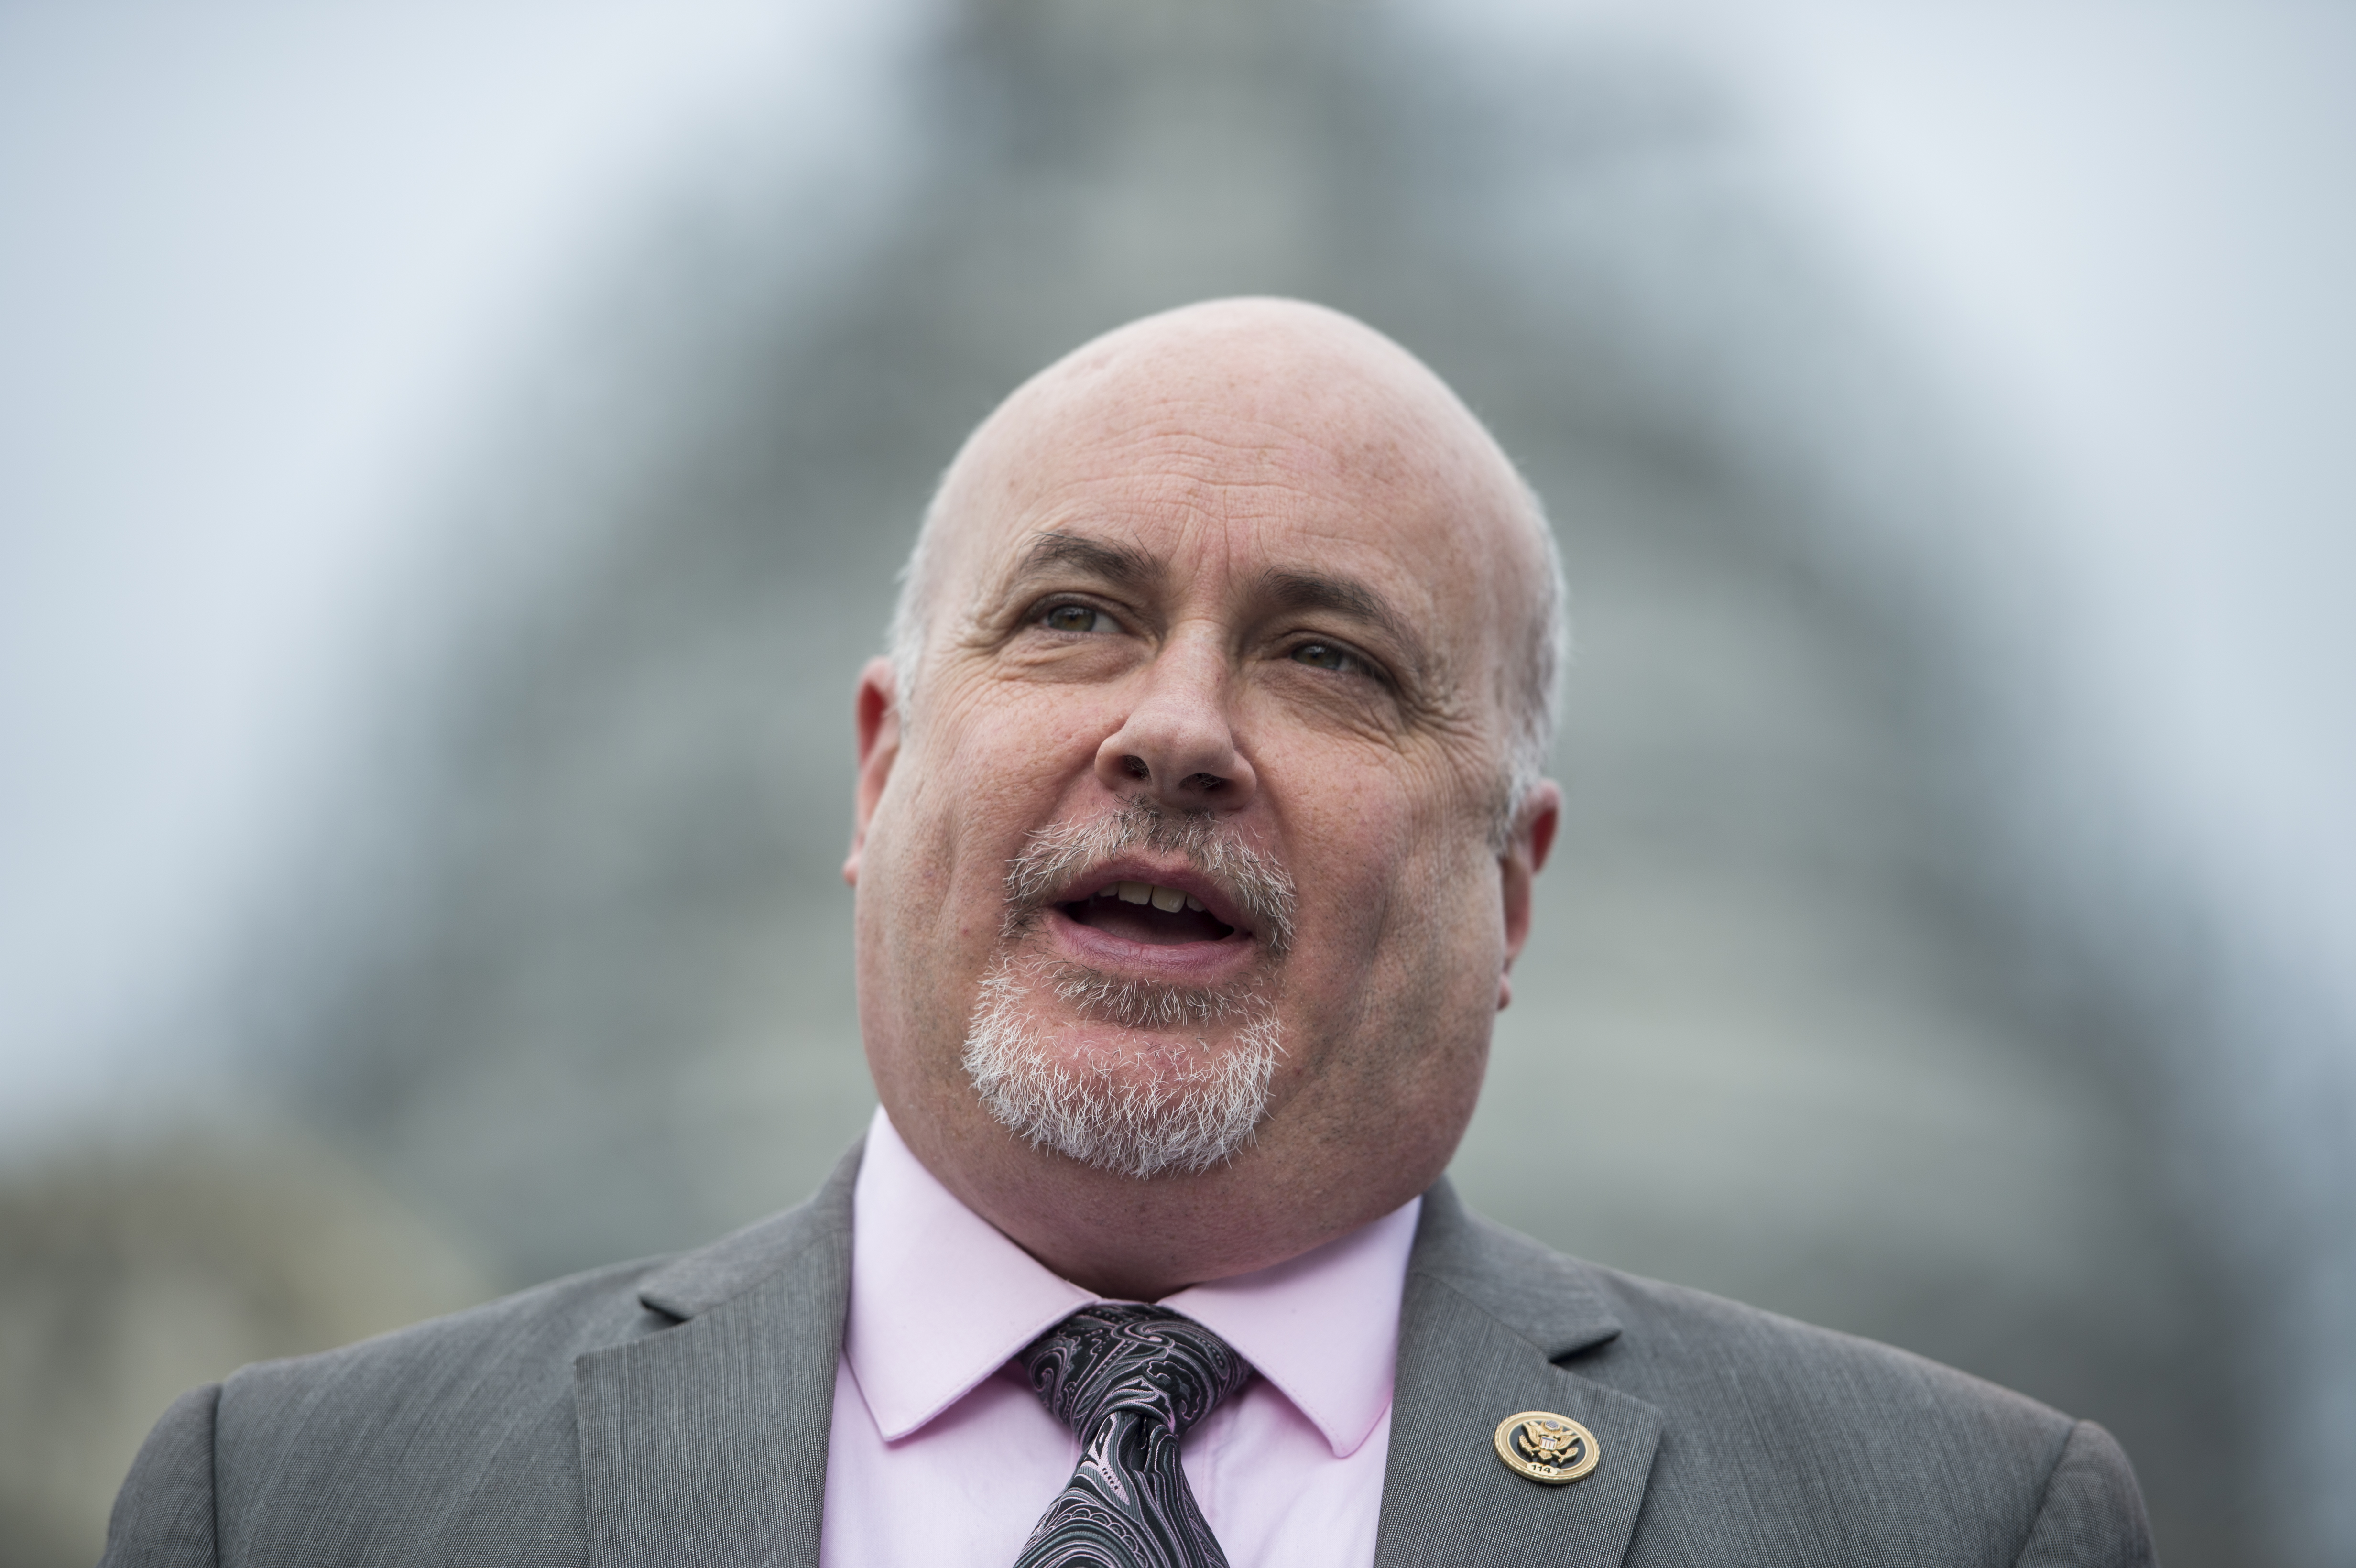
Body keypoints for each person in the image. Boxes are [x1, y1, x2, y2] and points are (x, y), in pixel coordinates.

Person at [101, 299, 2154, 1568]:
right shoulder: (290, 1511)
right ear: (877, 770)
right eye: (1072, 615)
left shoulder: (1950, 1527)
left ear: (1511, 887)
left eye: (1332, 660)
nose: (1173, 731)